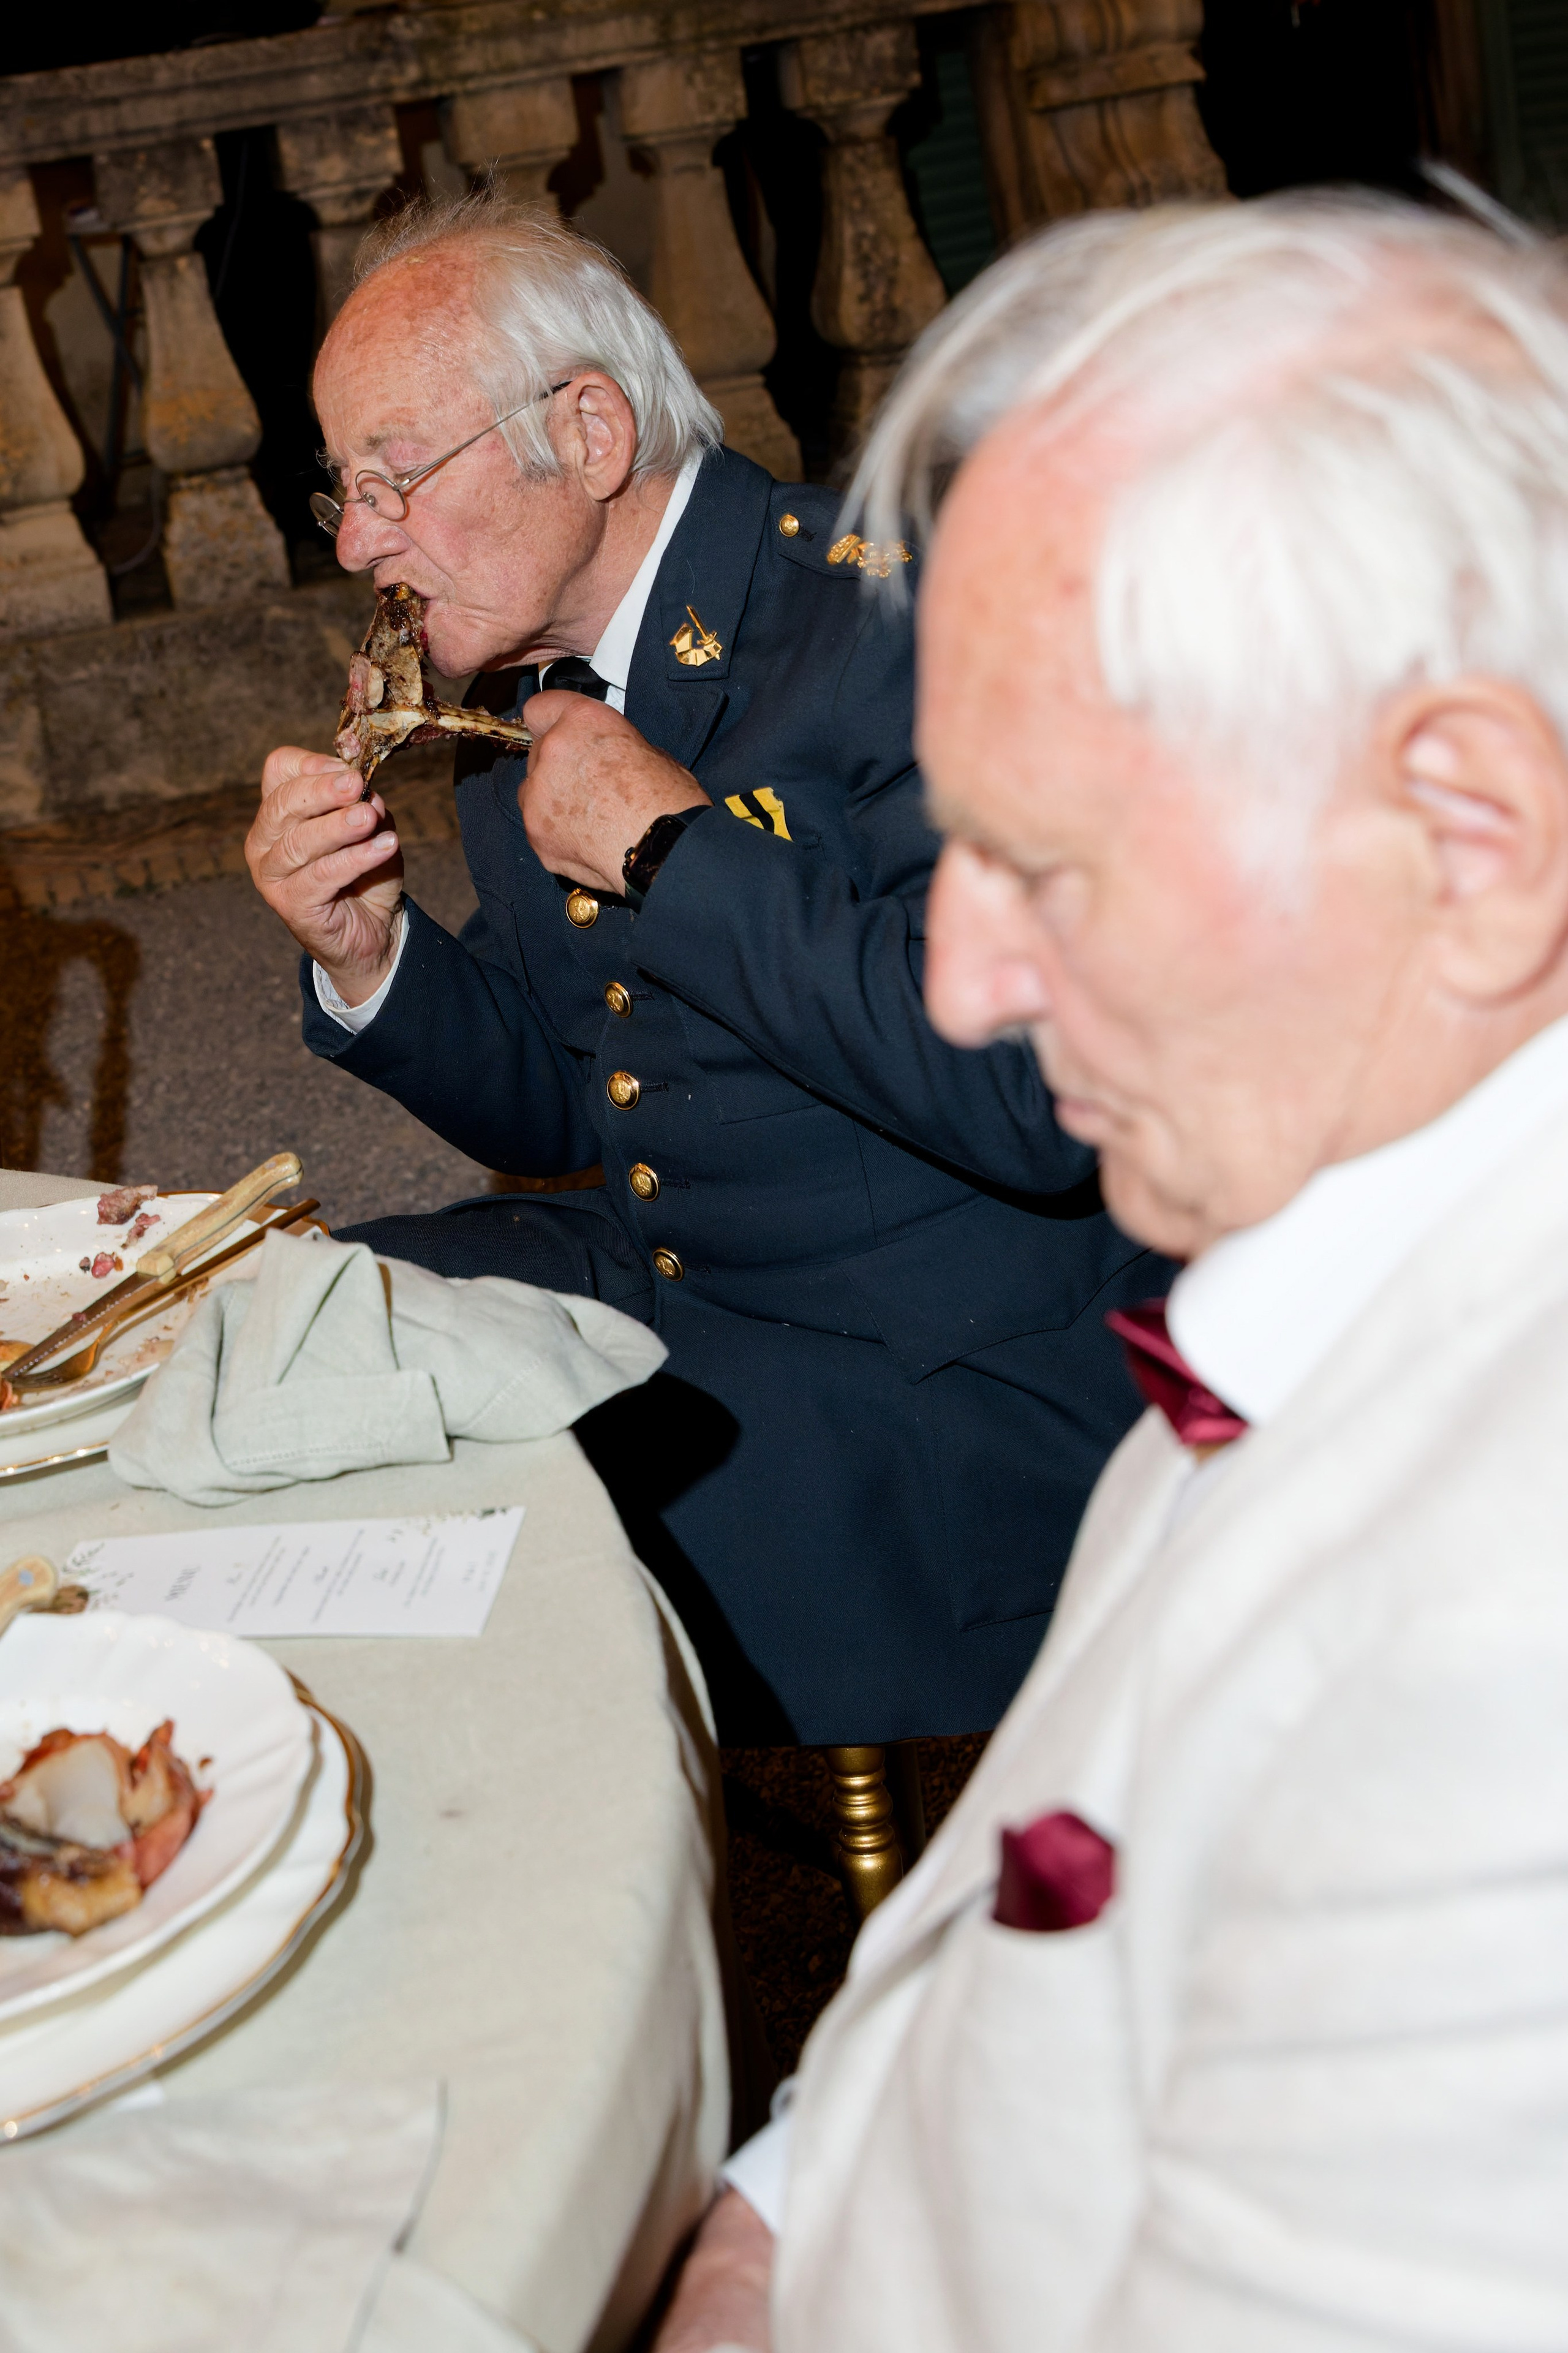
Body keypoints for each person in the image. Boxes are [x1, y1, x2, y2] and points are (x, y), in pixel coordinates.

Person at [653, 191, 1568, 2351]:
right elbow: (1022, 1916)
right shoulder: (1316, 1220)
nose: (964, 979)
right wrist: (771, 2215)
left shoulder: (1509, 1665)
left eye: (1043, 860)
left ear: (1473, 835)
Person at [246, 193, 1168, 1745]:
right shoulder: (528, 680)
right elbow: (571, 1113)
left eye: (395, 478)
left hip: (939, 1382)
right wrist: (371, 955)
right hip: (686, 1292)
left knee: (463, 1607)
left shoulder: (912, 620)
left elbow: (1040, 1105)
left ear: (588, 430)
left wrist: (680, 857)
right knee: (292, 1322)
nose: (355, 542)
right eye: (341, 490)